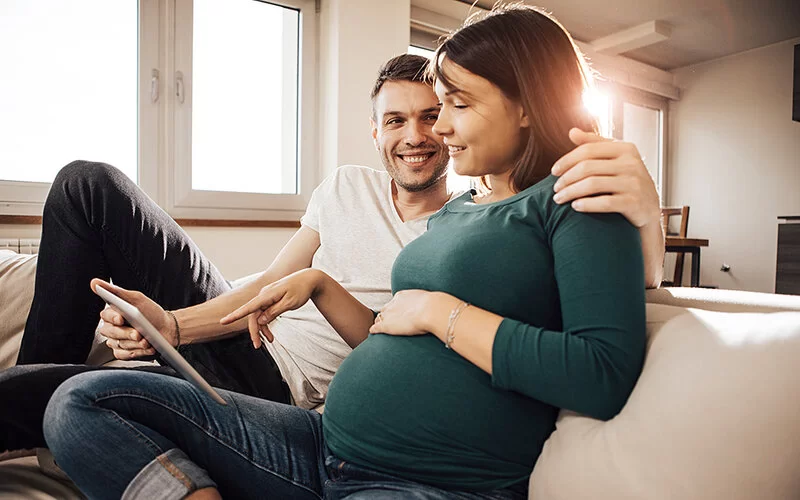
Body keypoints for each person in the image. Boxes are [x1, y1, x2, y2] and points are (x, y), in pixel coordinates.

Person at [42, 4, 649, 498]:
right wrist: (322, 285)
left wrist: (443, 313)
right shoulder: (463, 209)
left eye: (456, 107)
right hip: (320, 442)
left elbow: (601, 374)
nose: (435, 131)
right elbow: (391, 330)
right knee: (80, 400)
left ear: (524, 103)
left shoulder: (576, 199)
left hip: (424, 483)